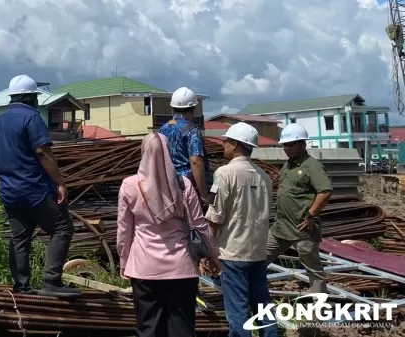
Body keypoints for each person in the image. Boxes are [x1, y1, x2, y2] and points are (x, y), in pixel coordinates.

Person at [117, 131, 220, 337]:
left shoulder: (129, 185)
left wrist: (124, 261)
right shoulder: (183, 184)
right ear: (168, 153)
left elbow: (124, 230)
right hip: (182, 268)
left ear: (143, 152)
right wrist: (213, 254)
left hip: (144, 267)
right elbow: (199, 225)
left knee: (148, 327)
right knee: (181, 327)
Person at [0, 75, 80, 298]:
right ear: (30, 98)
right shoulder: (32, 118)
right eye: (36, 98)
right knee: (62, 228)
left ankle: (22, 287)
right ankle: (51, 281)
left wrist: (7, 177)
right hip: (35, 190)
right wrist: (60, 183)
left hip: (9, 192)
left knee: (20, 238)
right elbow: (43, 152)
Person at [205, 123, 277, 337]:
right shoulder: (264, 177)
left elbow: (215, 216)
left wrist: (209, 250)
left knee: (237, 312)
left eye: (226, 141)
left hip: (233, 252)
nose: (223, 145)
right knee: (263, 308)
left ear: (235, 144)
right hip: (257, 252)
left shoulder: (224, 173)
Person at [266, 123, 333, 294]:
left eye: (292, 144)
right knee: (259, 257)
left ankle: (320, 308)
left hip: (302, 228)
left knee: (313, 269)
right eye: (285, 145)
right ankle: (254, 292)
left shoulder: (312, 165)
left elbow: (324, 191)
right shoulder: (288, 165)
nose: (287, 148)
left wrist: (311, 215)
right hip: (281, 227)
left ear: (303, 144)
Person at [159, 87, 210, 210]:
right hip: (187, 188)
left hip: (166, 188)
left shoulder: (162, 129)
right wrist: (204, 195)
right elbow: (196, 161)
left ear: (172, 107)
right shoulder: (192, 130)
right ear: (193, 108)